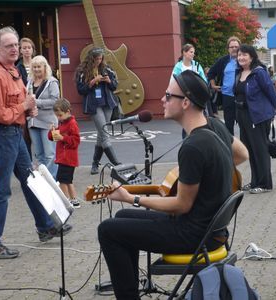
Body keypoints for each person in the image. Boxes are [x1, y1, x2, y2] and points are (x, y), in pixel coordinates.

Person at [98, 70, 237, 299]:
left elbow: (182, 205)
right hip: (211, 231)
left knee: (108, 230)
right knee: (122, 218)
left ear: (185, 102)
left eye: (168, 95)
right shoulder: (212, 132)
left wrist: (131, 198)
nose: (162, 100)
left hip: (193, 235)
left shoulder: (193, 146)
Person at [0, 26, 72, 259]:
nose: (14, 49)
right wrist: (23, 108)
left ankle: (45, 227)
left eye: (15, 45)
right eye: (9, 46)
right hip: (3, 134)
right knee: (1, 189)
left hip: (14, 133)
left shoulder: (12, 71)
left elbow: (20, 101)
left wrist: (28, 109)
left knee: (30, 180)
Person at [234, 44, 276, 194]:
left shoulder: (258, 73)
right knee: (251, 150)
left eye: (244, 55)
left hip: (258, 117)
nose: (241, 57)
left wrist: (270, 113)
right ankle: (255, 181)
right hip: (243, 116)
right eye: (239, 55)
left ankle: (265, 183)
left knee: (260, 150)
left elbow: (272, 95)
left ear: (251, 56)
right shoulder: (239, 72)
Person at [75, 47, 121, 175]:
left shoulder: (107, 69)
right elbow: (80, 90)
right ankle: (116, 163)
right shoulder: (82, 71)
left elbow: (114, 86)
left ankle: (95, 164)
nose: (99, 61)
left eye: (101, 58)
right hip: (94, 105)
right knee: (104, 133)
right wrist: (91, 83)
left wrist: (108, 81)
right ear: (91, 59)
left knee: (101, 134)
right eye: (96, 59)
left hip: (107, 103)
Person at [26, 55, 60, 177]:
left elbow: (55, 101)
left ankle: (53, 180)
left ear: (45, 67)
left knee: (50, 154)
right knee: (38, 154)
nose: (36, 69)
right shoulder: (29, 82)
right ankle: (44, 180)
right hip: (33, 122)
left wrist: (36, 103)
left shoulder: (52, 82)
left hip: (48, 123)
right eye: (34, 67)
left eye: (39, 67)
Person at [48, 98, 81, 208]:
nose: (58, 118)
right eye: (57, 115)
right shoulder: (63, 123)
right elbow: (53, 138)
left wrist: (63, 138)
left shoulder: (72, 124)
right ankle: (74, 200)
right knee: (68, 180)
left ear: (68, 111)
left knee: (62, 180)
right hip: (64, 158)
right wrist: (52, 131)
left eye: (60, 115)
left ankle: (66, 201)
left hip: (68, 158)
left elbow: (76, 141)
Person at [207, 36, 241, 135]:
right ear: (228, 49)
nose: (234, 49)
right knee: (229, 125)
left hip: (241, 97)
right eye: (232, 47)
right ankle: (231, 148)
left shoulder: (243, 59)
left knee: (244, 124)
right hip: (227, 96)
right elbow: (211, 73)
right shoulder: (223, 61)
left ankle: (244, 148)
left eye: (236, 46)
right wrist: (213, 85)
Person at [16, 37, 36, 156]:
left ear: (33, 49)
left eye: (29, 47)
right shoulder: (17, 68)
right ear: (21, 51)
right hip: (25, 104)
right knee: (26, 136)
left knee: (40, 137)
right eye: (24, 48)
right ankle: (29, 164)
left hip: (38, 102)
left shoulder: (39, 63)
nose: (27, 50)